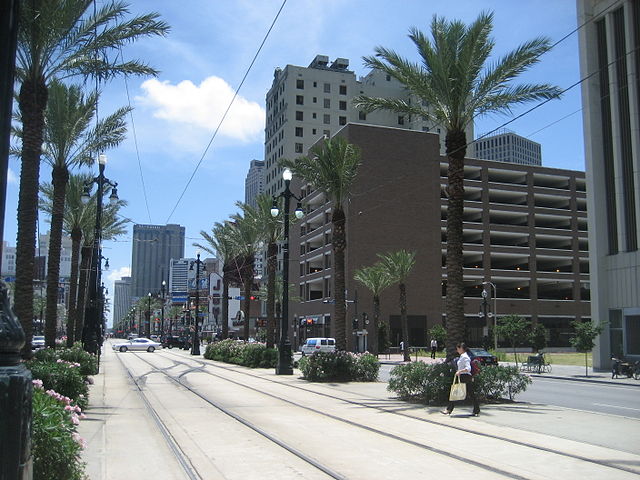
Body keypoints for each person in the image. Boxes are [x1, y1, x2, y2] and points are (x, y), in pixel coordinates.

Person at [441, 342, 480, 416]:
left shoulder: (464, 357)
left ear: (461, 349)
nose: (457, 350)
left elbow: (468, 368)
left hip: (464, 376)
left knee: (454, 391)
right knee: (470, 393)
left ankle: (449, 409)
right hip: (464, 377)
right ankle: (476, 410)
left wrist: (460, 371)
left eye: (458, 348)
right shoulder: (463, 356)